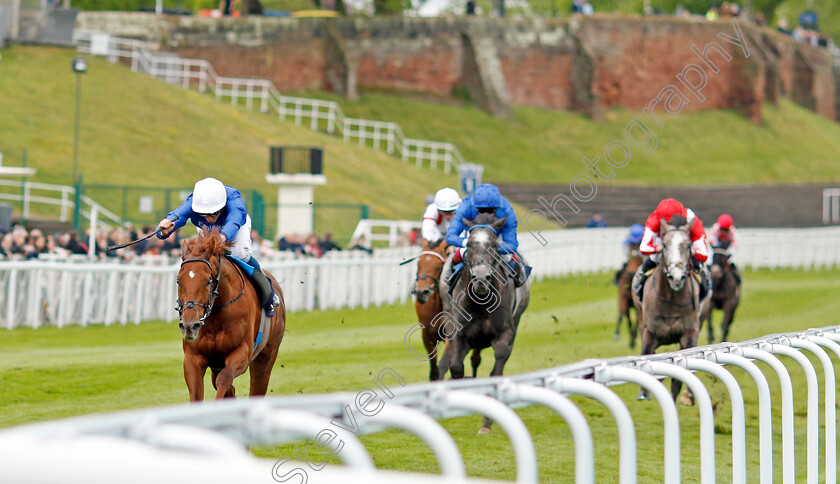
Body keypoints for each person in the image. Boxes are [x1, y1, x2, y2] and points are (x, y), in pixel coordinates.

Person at [157, 177, 281, 316]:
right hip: (208, 229)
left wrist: (223, 236)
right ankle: (190, 298)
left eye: (214, 213)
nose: (209, 218)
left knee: (240, 254)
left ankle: (268, 294)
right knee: (201, 258)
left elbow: (234, 222)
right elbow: (176, 216)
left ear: (222, 206)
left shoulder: (234, 200)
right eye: (204, 214)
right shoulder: (193, 201)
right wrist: (163, 230)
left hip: (237, 226)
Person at [443, 183, 529, 288]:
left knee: (509, 257)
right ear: (475, 208)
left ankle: (520, 282)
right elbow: (450, 236)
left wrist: (493, 247)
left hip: (495, 240)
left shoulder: (507, 210)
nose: (486, 214)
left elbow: (512, 244)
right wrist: (468, 243)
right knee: (459, 253)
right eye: (481, 210)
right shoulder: (465, 207)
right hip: (473, 239)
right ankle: (448, 280)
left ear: (497, 208)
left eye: (491, 211)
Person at [632, 198, 710, 301]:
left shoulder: (692, 219)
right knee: (653, 259)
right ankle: (640, 283)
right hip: (664, 244)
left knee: (699, 266)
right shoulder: (654, 219)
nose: (668, 226)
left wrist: (693, 252)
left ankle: (704, 291)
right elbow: (643, 248)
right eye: (666, 223)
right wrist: (658, 248)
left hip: (685, 246)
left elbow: (704, 254)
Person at [708, 213, 742, 284]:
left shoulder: (734, 232)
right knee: (709, 262)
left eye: (725, 230)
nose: (723, 232)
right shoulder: (715, 228)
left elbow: (734, 246)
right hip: (716, 249)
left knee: (733, 263)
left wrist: (729, 254)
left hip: (727, 250)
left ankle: (737, 279)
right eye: (722, 229)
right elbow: (713, 242)